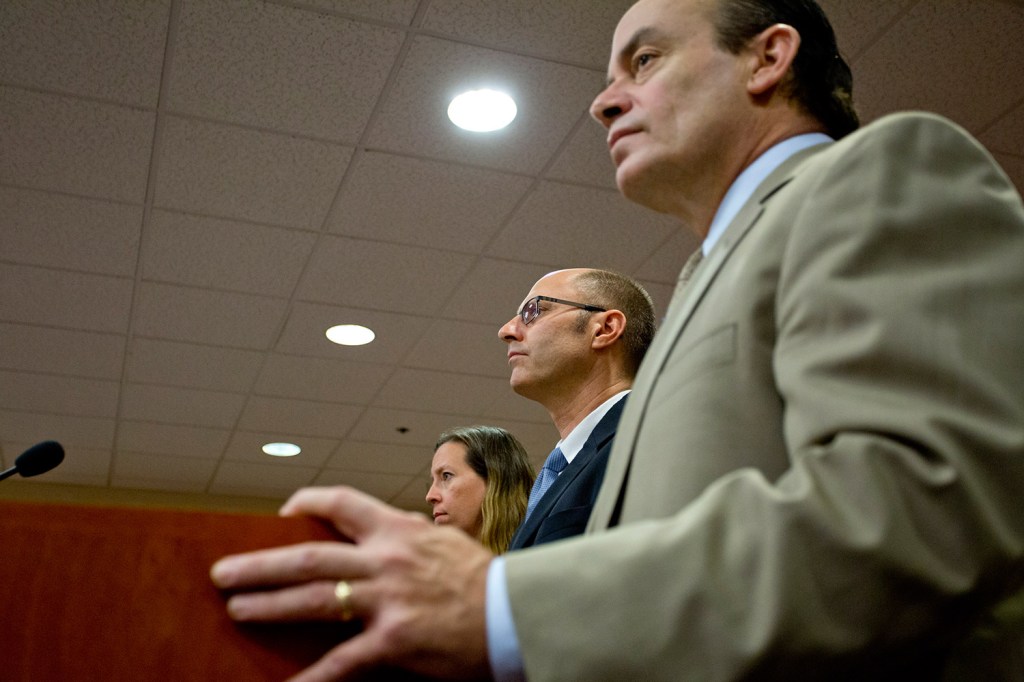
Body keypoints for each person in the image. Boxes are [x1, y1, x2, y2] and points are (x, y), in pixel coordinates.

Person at [210, 0, 1024, 679]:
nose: (605, 101)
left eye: (644, 61)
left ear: (768, 58)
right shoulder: (707, 278)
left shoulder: (883, 170)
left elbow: (922, 513)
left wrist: (501, 607)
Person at [500, 268, 655, 550]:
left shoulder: (649, 439)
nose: (506, 331)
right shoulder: (559, 471)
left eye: (533, 311)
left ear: (605, 329)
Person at [427, 425, 534, 554]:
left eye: (446, 476)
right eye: (433, 480)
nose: (430, 496)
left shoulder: (539, 559)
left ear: (494, 481)